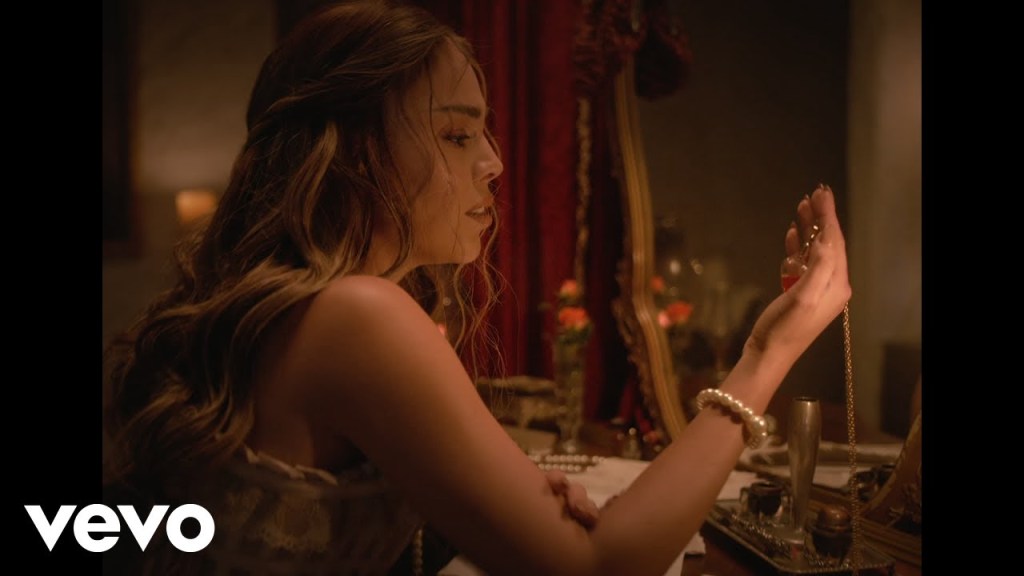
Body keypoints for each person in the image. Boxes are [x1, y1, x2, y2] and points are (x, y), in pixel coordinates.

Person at [102, 1, 851, 574]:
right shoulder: (356, 315)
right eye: (458, 135)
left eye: (485, 133)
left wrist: (492, 507)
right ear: (352, 151)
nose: (493, 163)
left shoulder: (324, 310)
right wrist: (766, 352)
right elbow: (598, 569)